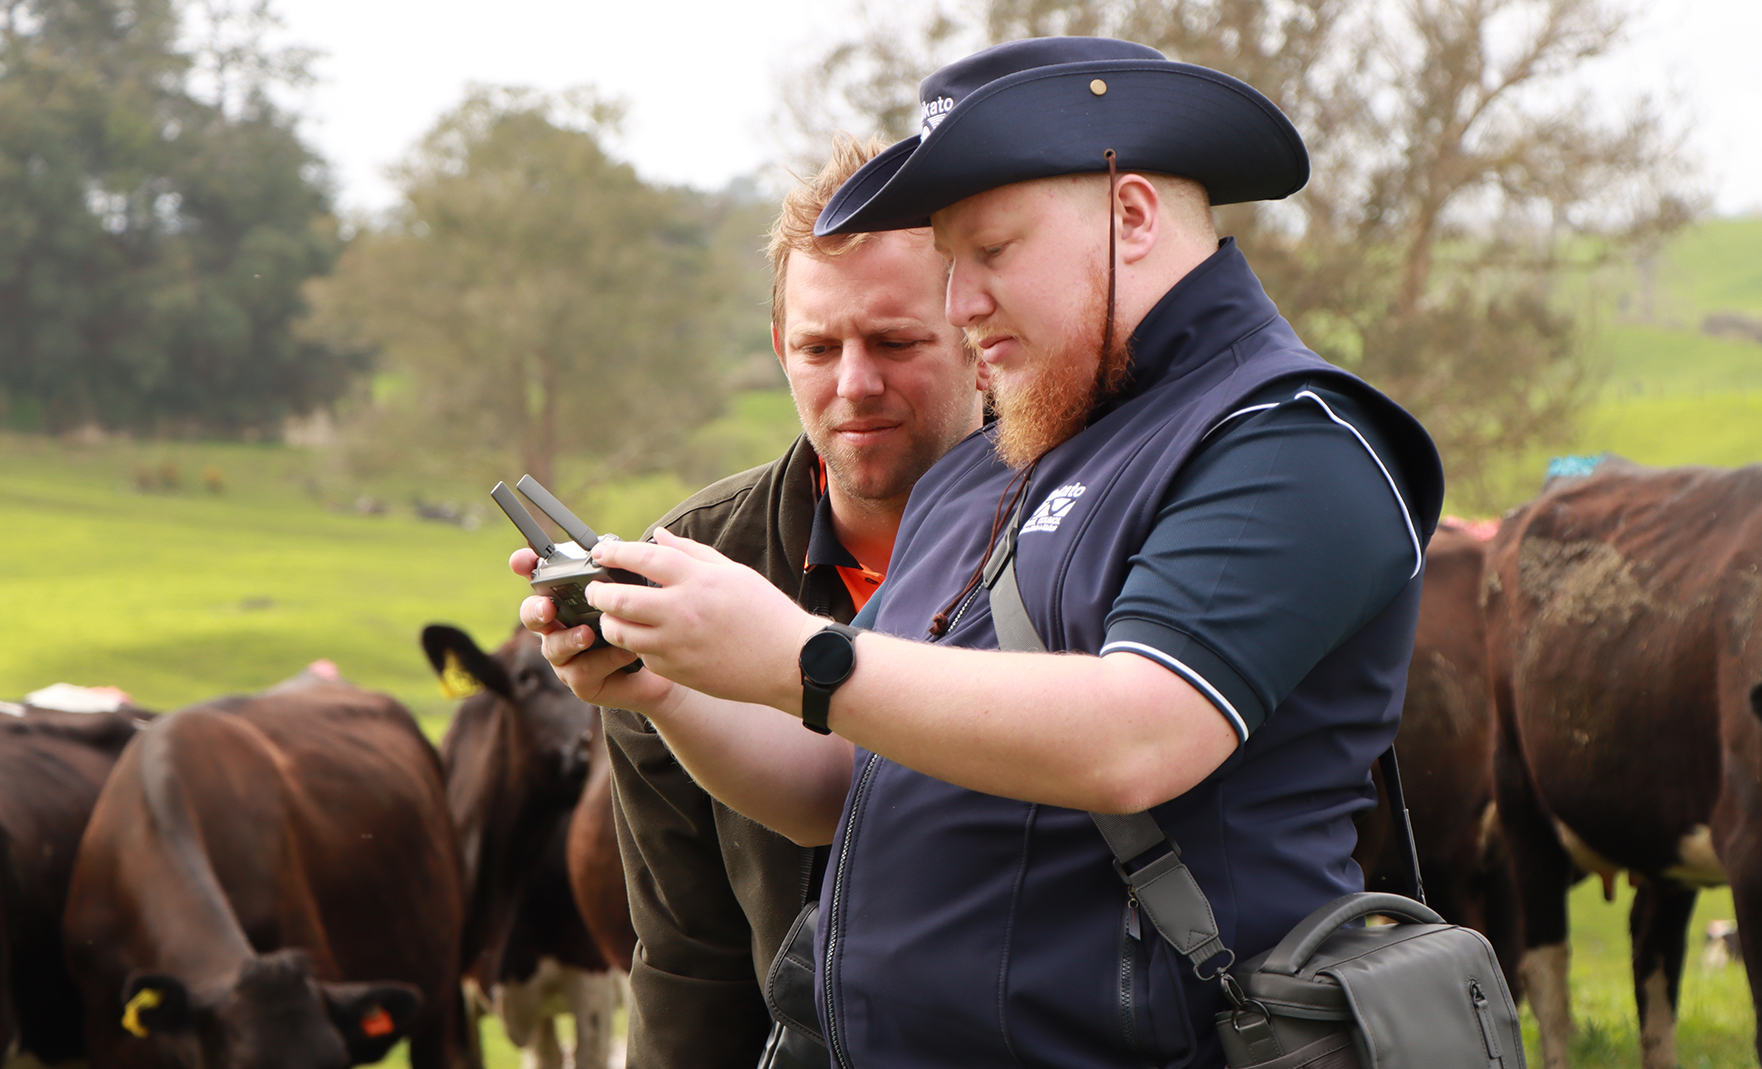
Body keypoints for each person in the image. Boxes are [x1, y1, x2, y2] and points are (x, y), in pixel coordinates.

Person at [520, 37, 1444, 1068]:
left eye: (991, 252)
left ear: (1129, 216)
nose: (959, 306)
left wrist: (797, 656)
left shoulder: (1292, 441)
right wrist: (669, 682)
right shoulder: (985, 465)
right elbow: (840, 779)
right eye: (951, 263)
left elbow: (1139, 735)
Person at [593, 135, 987, 1068]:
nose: (854, 384)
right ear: (779, 349)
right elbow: (688, 950)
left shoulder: (1087, 529)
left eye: (894, 341)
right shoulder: (690, 566)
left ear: (978, 329)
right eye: (818, 346)